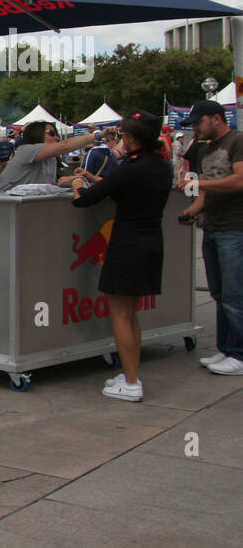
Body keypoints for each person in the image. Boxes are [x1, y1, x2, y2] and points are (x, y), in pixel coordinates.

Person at [71, 115, 171, 401]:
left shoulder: (130, 168)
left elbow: (84, 200)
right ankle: (132, 373)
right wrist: (96, 179)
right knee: (131, 314)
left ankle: (130, 383)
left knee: (120, 315)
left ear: (130, 138)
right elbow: (125, 187)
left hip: (127, 244)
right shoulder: (160, 165)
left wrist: (78, 181)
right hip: (152, 241)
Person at [176, 100, 243, 375]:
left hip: (235, 228)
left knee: (235, 294)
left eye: (198, 123)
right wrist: (190, 210)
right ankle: (227, 349)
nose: (195, 130)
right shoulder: (204, 149)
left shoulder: (238, 141)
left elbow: (239, 181)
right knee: (219, 293)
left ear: (216, 118)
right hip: (213, 227)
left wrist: (198, 184)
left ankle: (239, 354)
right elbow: (205, 193)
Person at [0, 120, 98, 193]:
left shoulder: (52, 159)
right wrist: (99, 135)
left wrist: (67, 181)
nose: (57, 137)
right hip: (7, 206)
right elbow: (65, 146)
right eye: (52, 133)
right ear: (37, 134)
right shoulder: (26, 150)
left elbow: (47, 186)